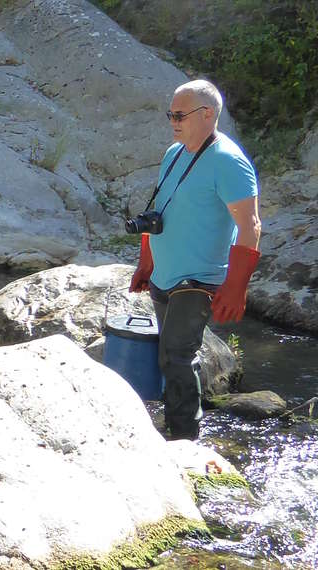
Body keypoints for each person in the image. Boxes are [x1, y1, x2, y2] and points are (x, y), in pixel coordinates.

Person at [129, 79, 261, 440]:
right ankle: (179, 423)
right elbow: (158, 209)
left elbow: (250, 226)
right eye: (170, 113)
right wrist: (147, 260)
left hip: (201, 277)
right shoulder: (175, 153)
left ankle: (185, 438)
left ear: (207, 114)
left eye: (179, 114)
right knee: (169, 356)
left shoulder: (229, 162)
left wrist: (236, 286)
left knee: (176, 354)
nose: (173, 120)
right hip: (166, 273)